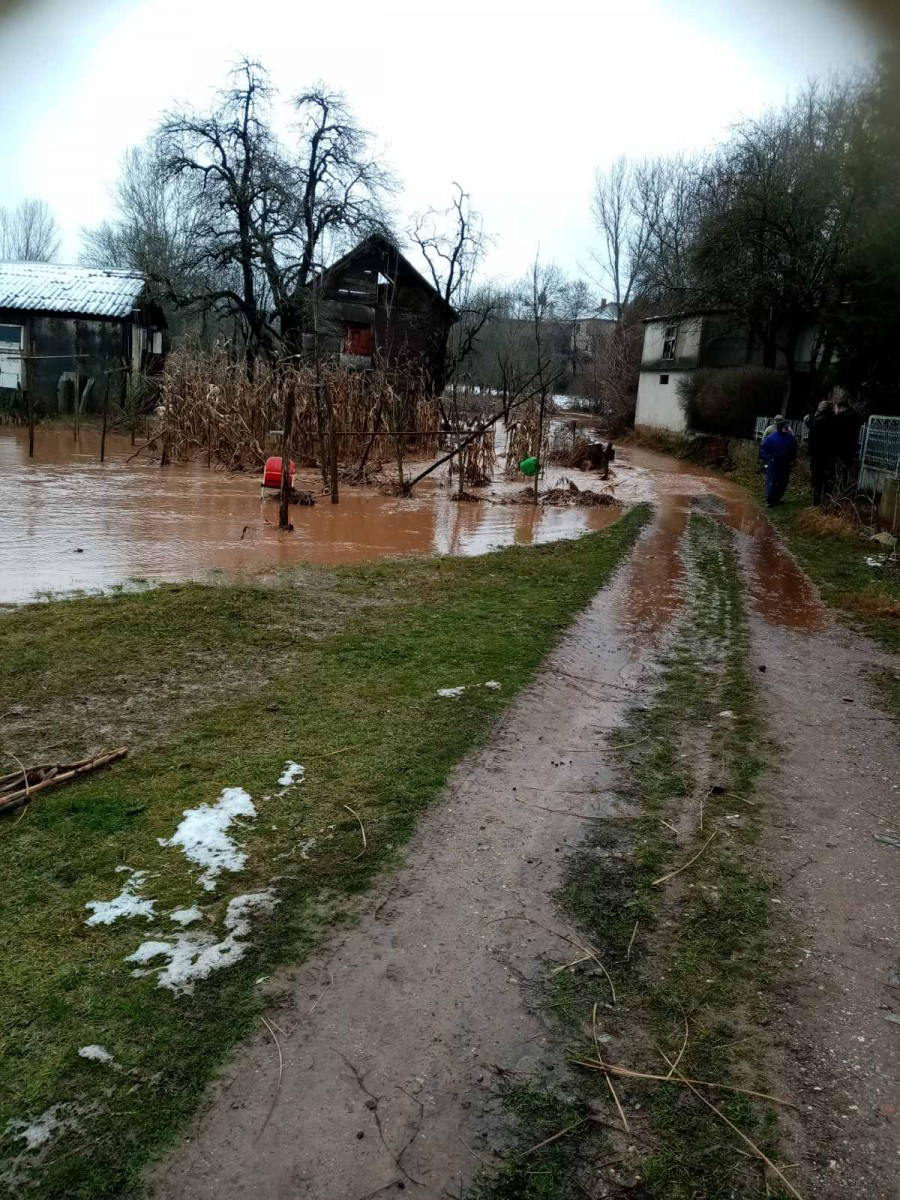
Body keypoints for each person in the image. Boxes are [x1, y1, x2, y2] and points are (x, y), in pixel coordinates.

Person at [759, 415, 798, 507]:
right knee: (772, 480)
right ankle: (770, 500)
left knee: (783, 481)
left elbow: (794, 450)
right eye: (785, 427)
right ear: (780, 427)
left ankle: (777, 499)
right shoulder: (772, 437)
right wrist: (769, 458)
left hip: (785, 462)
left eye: (787, 427)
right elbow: (764, 448)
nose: (787, 428)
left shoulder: (790, 438)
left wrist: (791, 459)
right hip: (774, 462)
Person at [806, 399, 836, 505]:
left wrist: (810, 453)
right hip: (832, 454)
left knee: (817, 479)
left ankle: (817, 500)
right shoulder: (836, 420)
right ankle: (827, 501)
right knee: (829, 479)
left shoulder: (818, 421)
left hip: (818, 454)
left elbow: (812, 438)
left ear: (821, 409)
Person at [832, 397, 862, 491]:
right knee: (847, 469)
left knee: (841, 470)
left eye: (836, 408)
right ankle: (845, 489)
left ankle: (840, 490)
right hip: (851, 447)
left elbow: (837, 428)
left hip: (843, 448)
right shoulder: (854, 415)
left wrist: (837, 415)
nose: (835, 410)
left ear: (841, 408)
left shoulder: (844, 417)